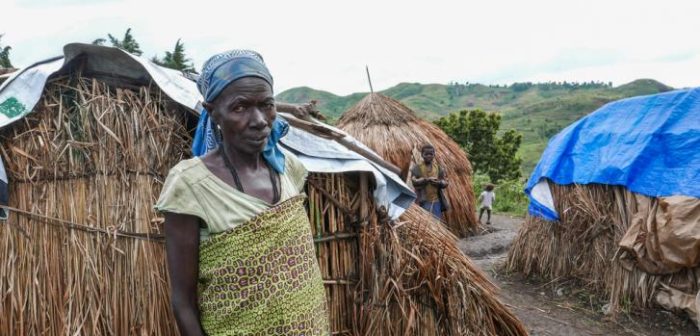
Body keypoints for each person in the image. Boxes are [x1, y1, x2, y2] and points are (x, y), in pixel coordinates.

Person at [156, 50, 330, 335]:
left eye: (267, 105)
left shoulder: (289, 168)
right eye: (240, 108)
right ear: (213, 113)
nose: (260, 119)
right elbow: (183, 302)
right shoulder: (190, 184)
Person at [411, 144, 449, 220]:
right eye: (426, 154)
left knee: (436, 223)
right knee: (424, 222)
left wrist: (440, 183)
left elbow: (445, 182)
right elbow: (414, 181)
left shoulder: (438, 168)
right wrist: (426, 180)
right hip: (423, 201)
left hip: (436, 201)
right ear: (422, 155)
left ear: (434, 155)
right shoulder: (417, 168)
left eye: (431, 154)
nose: (429, 156)